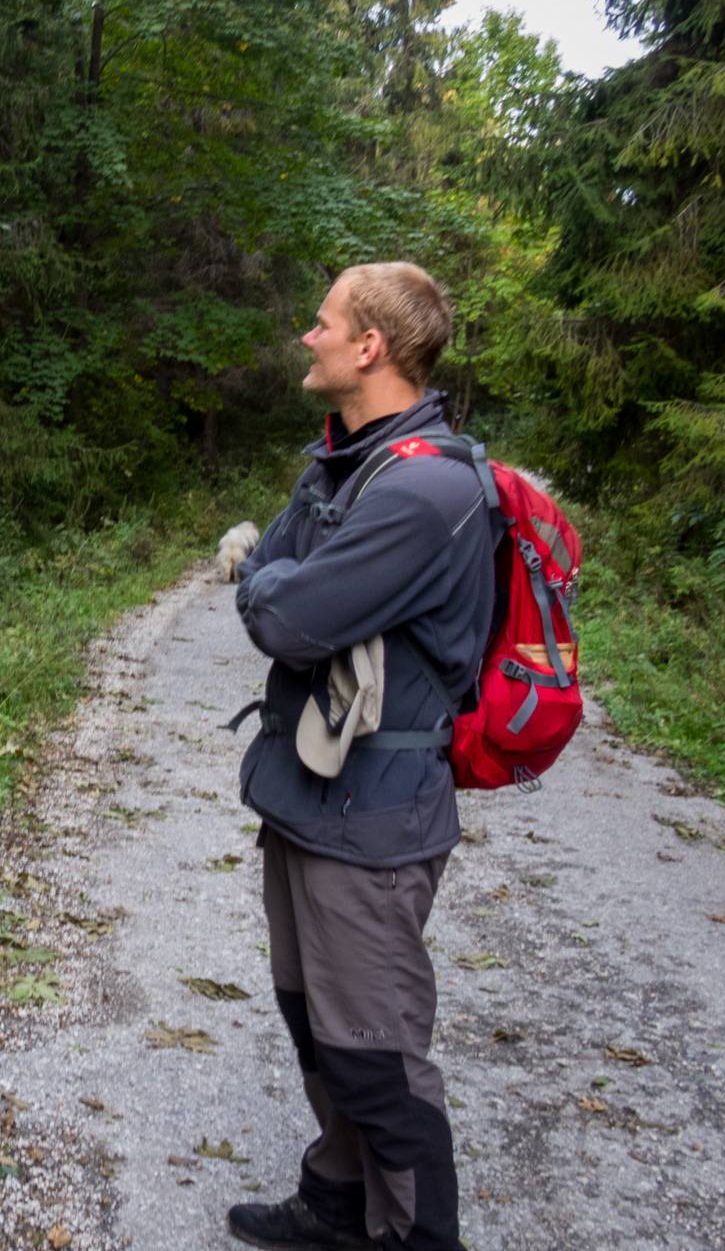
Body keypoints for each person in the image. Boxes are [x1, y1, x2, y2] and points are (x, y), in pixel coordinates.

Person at [220, 263, 494, 1251]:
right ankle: (336, 1197)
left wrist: (270, 583)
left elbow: (283, 613)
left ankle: (418, 1237)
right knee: (313, 1021)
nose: (308, 336)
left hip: (373, 816)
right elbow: (278, 580)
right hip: (304, 795)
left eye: (323, 321)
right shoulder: (337, 462)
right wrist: (276, 580)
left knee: (373, 1054)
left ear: (369, 346)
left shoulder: (426, 488)